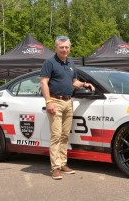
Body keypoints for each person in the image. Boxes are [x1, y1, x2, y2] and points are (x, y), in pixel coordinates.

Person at [40, 35, 95, 180]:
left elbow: (74, 81)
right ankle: (55, 168)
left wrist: (84, 84)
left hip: (68, 102)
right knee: (56, 135)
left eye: (66, 47)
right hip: (55, 101)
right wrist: (48, 102)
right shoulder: (49, 63)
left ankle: (63, 163)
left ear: (69, 48)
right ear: (56, 48)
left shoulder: (71, 63)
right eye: (61, 47)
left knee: (65, 135)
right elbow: (44, 83)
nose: (64, 49)